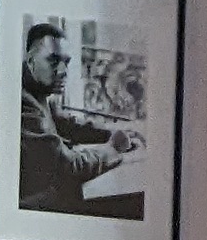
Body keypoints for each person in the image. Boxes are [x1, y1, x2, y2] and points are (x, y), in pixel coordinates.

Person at [18, 19, 141, 218]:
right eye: (53, 61)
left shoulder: (37, 93)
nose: (62, 71)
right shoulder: (24, 102)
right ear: (31, 60)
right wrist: (113, 148)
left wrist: (112, 132)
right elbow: (69, 166)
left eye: (66, 62)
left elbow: (68, 124)